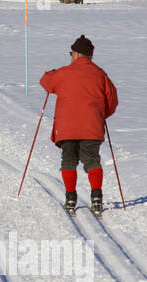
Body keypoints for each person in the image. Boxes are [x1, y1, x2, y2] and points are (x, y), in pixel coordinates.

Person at [39, 35, 119, 215]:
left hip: (67, 127)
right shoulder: (100, 74)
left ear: (75, 54)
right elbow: (112, 100)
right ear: (89, 56)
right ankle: (97, 196)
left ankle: (70, 197)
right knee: (92, 160)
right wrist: (100, 115)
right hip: (91, 126)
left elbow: (45, 82)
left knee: (68, 161)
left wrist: (50, 73)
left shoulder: (64, 72)